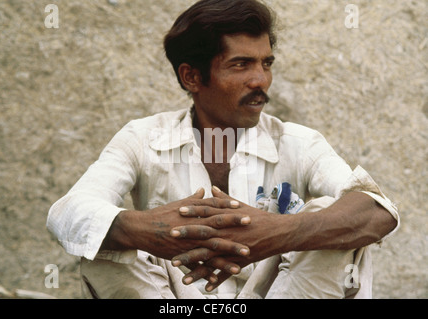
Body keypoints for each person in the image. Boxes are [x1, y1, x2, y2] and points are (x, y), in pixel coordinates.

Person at [47, 0, 399, 299]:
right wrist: (151, 230)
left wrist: (273, 233)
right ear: (192, 77)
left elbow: (376, 212)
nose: (260, 80)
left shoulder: (299, 143)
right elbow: (66, 213)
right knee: (102, 238)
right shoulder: (142, 137)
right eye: (241, 64)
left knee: (334, 218)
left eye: (266, 63)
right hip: (176, 297)